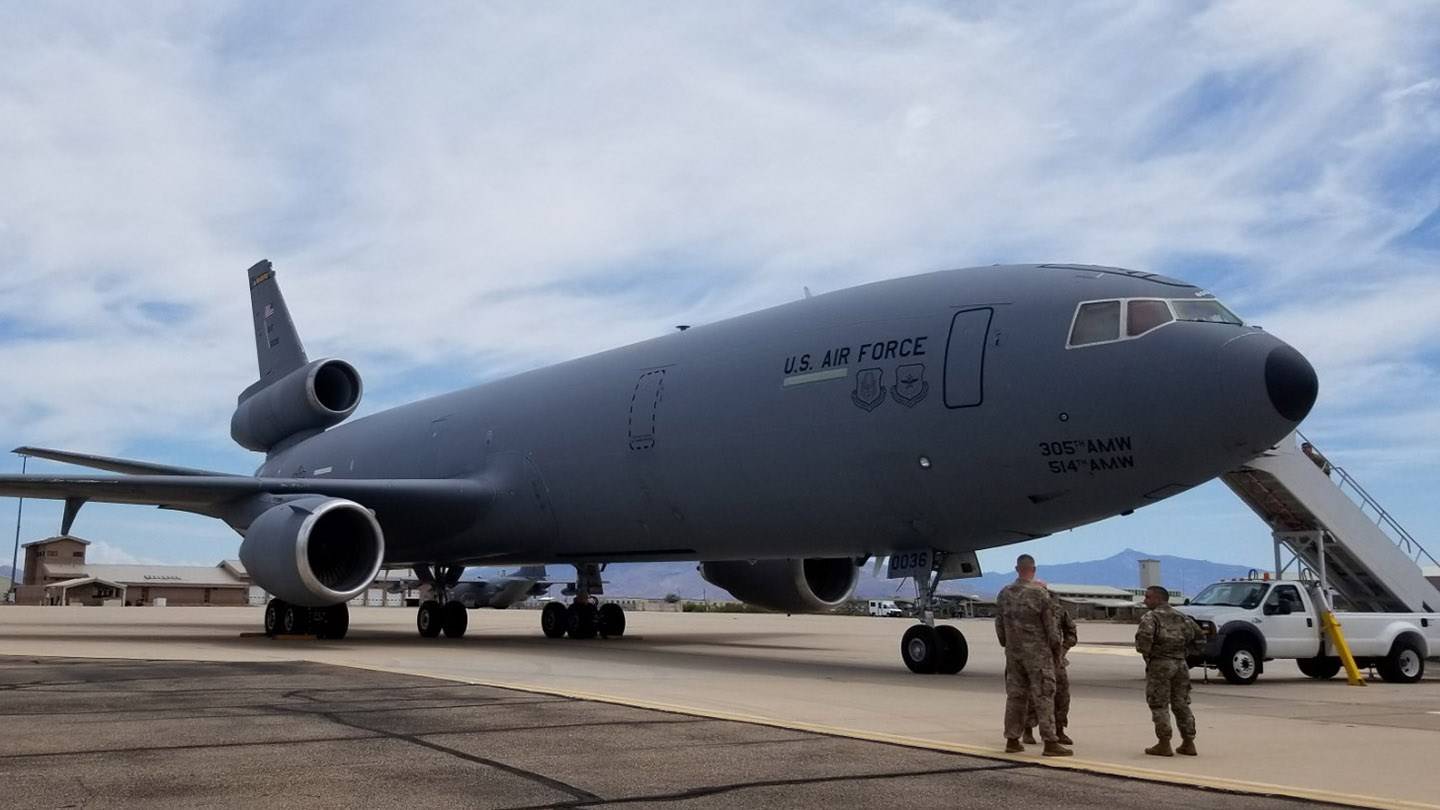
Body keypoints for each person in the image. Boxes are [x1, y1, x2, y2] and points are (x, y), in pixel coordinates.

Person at [995, 554, 1071, 756]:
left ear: (1016, 569)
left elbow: (999, 626)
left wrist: (1008, 644)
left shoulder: (1004, 593)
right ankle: (1050, 742)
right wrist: (1056, 653)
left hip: (1014, 654)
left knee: (1015, 696)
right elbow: (1052, 630)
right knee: (1044, 695)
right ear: (1033, 569)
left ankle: (1012, 740)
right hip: (1038, 654)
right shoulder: (1039, 594)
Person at [1134, 585, 1203, 756]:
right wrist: (1184, 654)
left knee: (1159, 703)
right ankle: (1189, 742)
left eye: (1148, 597)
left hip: (1160, 664)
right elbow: (1199, 638)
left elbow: (1143, 642)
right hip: (1180, 665)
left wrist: (1150, 656)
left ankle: (1164, 743)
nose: (1145, 600)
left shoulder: (1151, 617)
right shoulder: (1182, 617)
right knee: (1181, 704)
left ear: (1158, 599)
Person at [1023, 589, 1077, 745]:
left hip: (1056, 660)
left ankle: (1059, 730)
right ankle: (1028, 729)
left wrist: (1063, 650)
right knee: (1033, 695)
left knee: (1062, 695)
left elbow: (1071, 632)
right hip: (1035, 659)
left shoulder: (1059, 611)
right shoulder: (1028, 611)